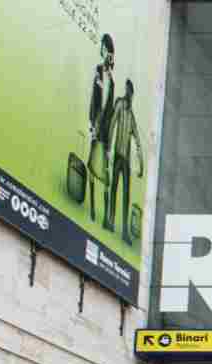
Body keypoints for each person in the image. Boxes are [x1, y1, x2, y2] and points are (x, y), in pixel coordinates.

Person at [105, 79, 145, 243]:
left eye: (131, 93)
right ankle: (111, 222)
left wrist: (141, 165)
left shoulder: (132, 115)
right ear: (125, 91)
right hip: (118, 156)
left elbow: (137, 140)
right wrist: (108, 147)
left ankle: (124, 232)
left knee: (126, 194)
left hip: (127, 160)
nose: (129, 95)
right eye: (127, 91)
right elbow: (112, 123)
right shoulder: (120, 105)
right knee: (114, 187)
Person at [87, 33, 115, 224]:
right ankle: (91, 210)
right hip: (96, 125)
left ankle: (105, 215)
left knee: (104, 171)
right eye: (102, 48)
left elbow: (111, 112)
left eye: (106, 49)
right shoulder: (98, 71)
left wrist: (110, 142)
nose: (104, 52)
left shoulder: (112, 82)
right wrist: (91, 122)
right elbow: (93, 99)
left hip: (105, 131)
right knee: (91, 165)